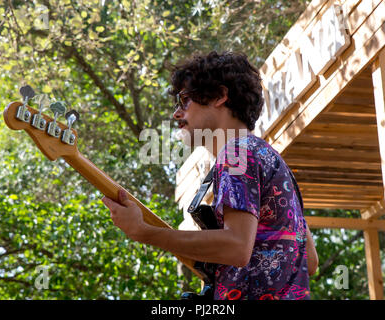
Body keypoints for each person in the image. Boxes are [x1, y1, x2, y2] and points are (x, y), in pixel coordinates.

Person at [102, 51, 318, 300]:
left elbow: (237, 246)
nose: (176, 113)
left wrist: (144, 232)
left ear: (219, 96)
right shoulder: (273, 161)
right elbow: (309, 261)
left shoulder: (236, 152)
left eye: (185, 100)